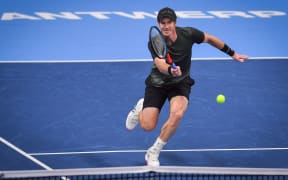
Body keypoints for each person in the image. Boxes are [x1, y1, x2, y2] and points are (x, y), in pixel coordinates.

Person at [125, 7, 249, 167]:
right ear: (158, 24)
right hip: (158, 83)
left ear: (175, 23)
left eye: (169, 23)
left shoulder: (189, 34)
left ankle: (154, 151)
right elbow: (160, 64)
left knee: (177, 114)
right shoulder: (154, 42)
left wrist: (232, 53)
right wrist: (170, 70)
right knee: (148, 126)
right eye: (162, 23)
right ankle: (140, 107)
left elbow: (210, 39)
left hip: (180, 83)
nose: (166, 26)